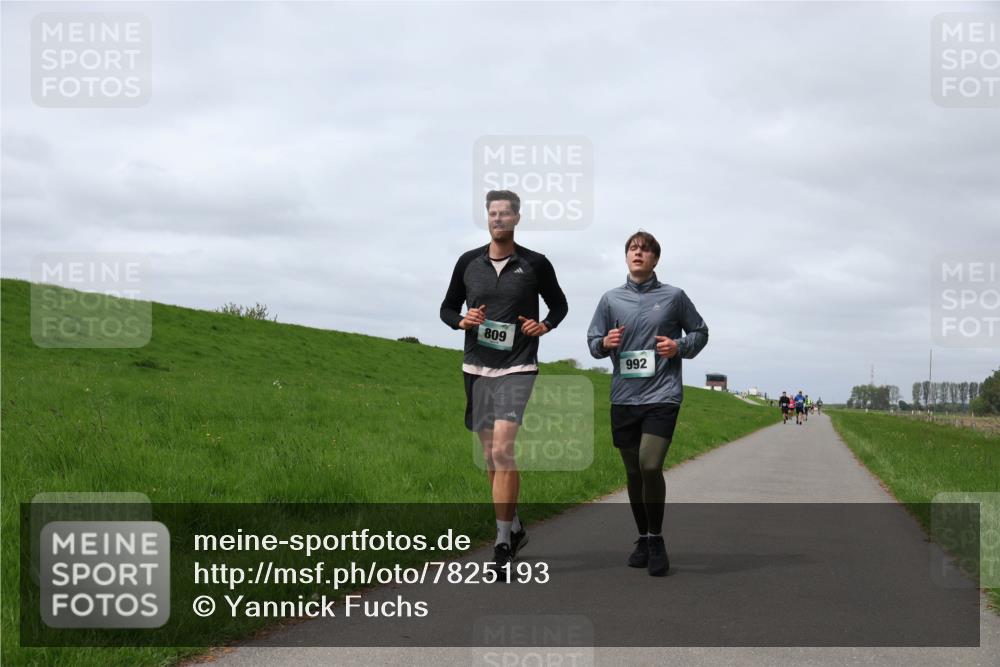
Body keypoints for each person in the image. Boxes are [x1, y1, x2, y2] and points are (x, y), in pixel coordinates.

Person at [440, 189, 568, 575]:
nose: (497, 219)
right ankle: (514, 525)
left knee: (502, 450)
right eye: (492, 214)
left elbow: (559, 304)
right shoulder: (468, 263)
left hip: (518, 366)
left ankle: (501, 543)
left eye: (504, 214)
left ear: (516, 218)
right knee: (489, 456)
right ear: (487, 218)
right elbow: (447, 307)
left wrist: (543, 325)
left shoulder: (535, 264)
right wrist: (461, 322)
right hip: (477, 368)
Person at [587, 231, 708, 576]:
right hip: (623, 397)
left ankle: (657, 539)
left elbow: (700, 332)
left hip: (662, 395)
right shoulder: (610, 300)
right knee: (633, 471)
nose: (638, 253)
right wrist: (604, 343)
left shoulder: (674, 297)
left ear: (655, 259)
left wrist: (679, 347)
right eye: (632, 249)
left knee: (650, 464)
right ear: (626, 257)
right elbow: (593, 340)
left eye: (645, 249)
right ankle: (642, 537)